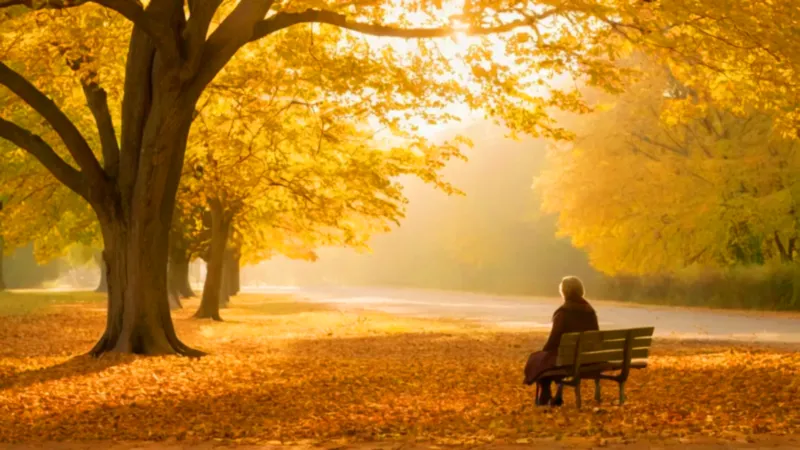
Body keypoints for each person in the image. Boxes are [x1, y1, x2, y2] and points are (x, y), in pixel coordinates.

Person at [523, 276, 599, 406]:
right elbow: (595, 336)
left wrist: (544, 351)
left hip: (567, 359)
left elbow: (554, 339)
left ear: (564, 292)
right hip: (588, 359)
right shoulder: (590, 311)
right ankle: (555, 393)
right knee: (545, 360)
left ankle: (545, 391)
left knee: (538, 359)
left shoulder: (563, 312)